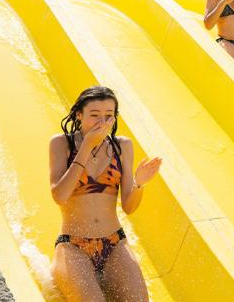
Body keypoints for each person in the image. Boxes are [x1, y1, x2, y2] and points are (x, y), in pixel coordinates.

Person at [50, 86, 163, 301]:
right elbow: (59, 196)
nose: (102, 122)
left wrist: (139, 183)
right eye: (94, 115)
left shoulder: (122, 146)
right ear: (78, 115)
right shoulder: (61, 144)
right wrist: (87, 147)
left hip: (114, 243)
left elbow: (129, 207)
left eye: (108, 116)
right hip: (73, 246)